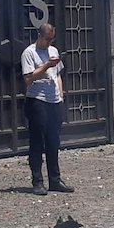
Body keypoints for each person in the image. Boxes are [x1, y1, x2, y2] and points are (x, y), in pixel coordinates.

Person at [21, 23, 74, 196]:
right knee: (37, 142)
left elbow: (57, 74)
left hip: (54, 100)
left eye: (51, 39)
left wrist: (61, 93)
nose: (49, 42)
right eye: (46, 39)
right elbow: (28, 79)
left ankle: (55, 180)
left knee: (54, 141)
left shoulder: (54, 51)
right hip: (37, 100)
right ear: (39, 36)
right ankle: (37, 181)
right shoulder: (29, 53)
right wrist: (45, 66)